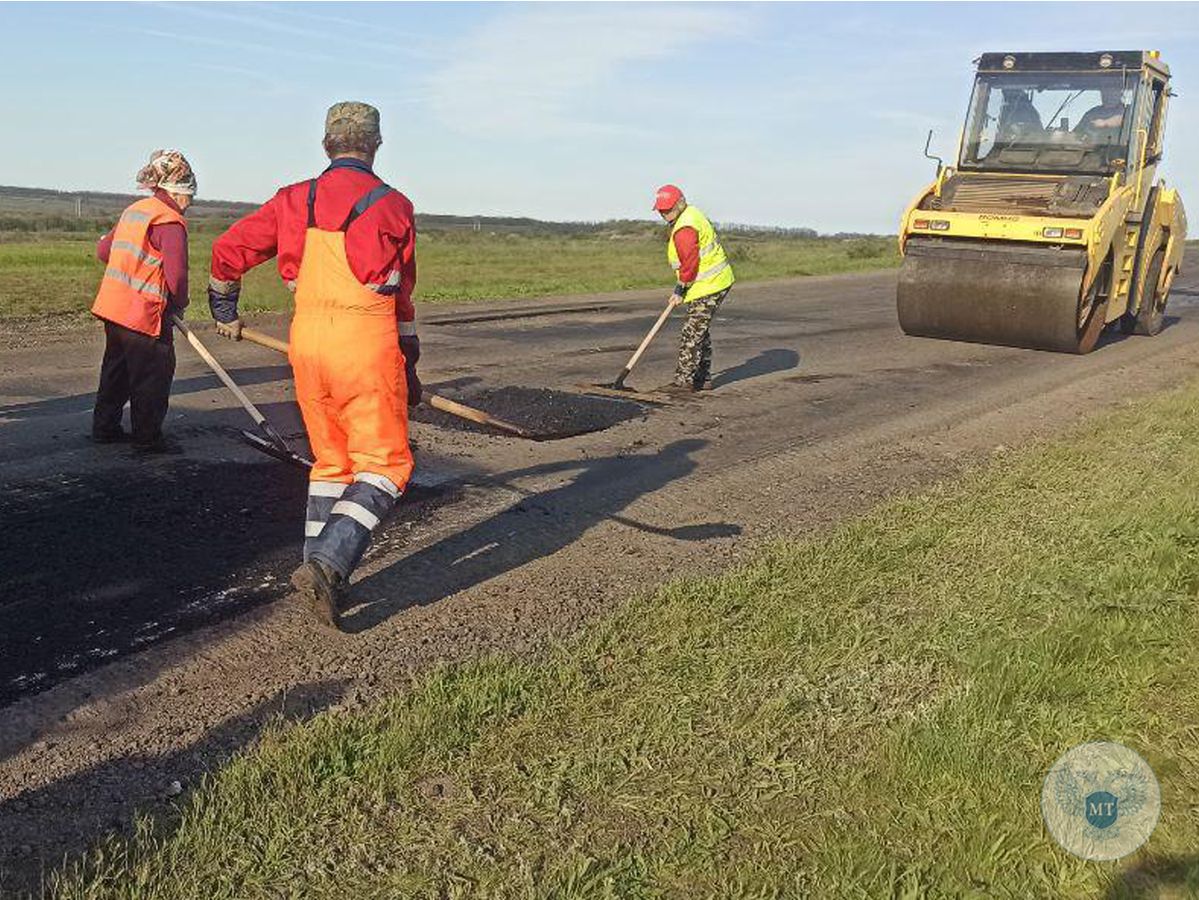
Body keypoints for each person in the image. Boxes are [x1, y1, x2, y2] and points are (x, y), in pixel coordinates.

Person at [207, 101, 419, 629]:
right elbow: (403, 295)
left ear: (326, 143)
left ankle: (319, 580)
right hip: (365, 341)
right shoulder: (393, 206)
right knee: (386, 465)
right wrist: (408, 359)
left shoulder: (291, 199)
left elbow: (229, 248)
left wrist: (223, 305)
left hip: (308, 344)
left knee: (331, 465)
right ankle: (328, 564)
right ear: (375, 144)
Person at [91, 150, 195, 452]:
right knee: (153, 376)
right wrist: (179, 303)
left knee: (116, 371)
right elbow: (176, 275)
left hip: (114, 308)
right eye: (189, 196)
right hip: (143, 314)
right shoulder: (169, 221)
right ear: (178, 191)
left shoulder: (136, 210)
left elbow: (103, 252)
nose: (189, 203)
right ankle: (148, 440)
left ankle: (105, 428)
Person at [653, 184, 735, 394]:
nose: (664, 214)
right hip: (708, 282)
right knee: (700, 330)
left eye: (667, 209)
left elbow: (690, 263)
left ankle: (683, 381)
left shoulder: (685, 228)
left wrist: (680, 289)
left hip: (711, 283)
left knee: (691, 332)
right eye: (661, 210)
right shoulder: (689, 215)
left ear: (680, 204)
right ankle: (702, 378)